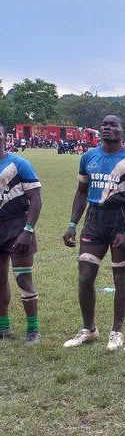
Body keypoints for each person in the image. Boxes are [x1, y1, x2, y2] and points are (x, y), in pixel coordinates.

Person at [62, 115, 125, 351]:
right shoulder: (88, 157)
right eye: (104, 125)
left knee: (121, 276)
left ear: (122, 130)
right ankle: (89, 329)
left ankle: (116, 331)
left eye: (113, 125)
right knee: (85, 276)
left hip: (121, 217)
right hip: (94, 219)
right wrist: (72, 223)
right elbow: (81, 191)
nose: (107, 128)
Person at [0, 123, 42, 345]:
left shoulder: (19, 163)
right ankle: (3, 327)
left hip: (18, 226)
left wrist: (28, 230)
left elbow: (36, 200)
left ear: (5, 138)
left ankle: (33, 330)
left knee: (23, 278)